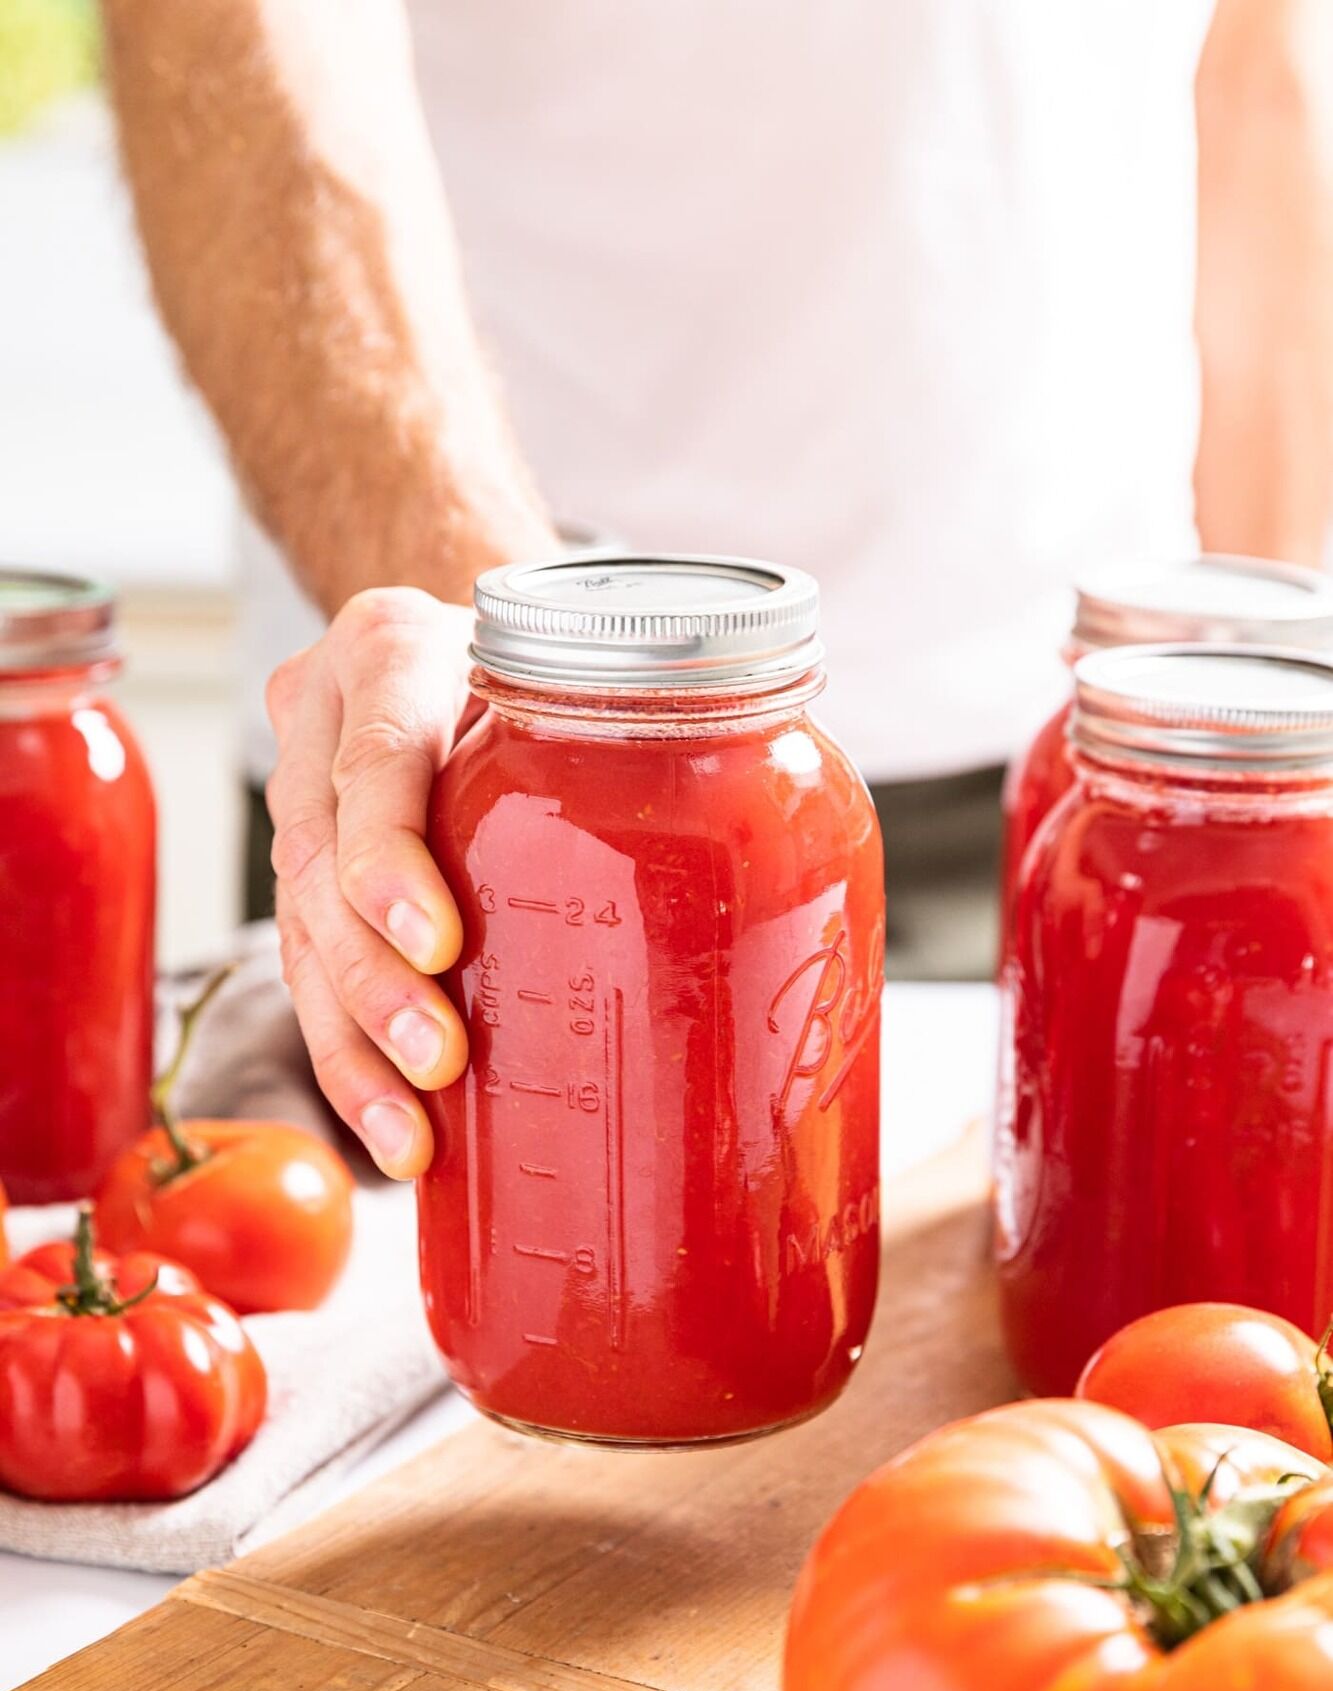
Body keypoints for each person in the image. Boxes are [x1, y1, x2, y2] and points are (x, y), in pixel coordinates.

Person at [101, 0, 1333, 1178]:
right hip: (481, 767)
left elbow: (1262, 78)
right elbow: (243, 31)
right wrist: (539, 707)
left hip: (1079, 767)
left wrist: (1269, 749)